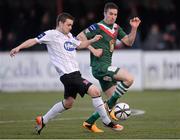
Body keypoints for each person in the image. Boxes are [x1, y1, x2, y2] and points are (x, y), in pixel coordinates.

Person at [10, 12, 123, 134]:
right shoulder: (51, 34)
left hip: (74, 75)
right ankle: (107, 121)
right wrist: (19, 47)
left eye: (71, 25)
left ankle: (43, 120)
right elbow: (34, 40)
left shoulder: (69, 35)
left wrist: (92, 40)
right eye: (68, 25)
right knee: (95, 91)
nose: (70, 27)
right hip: (68, 75)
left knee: (68, 103)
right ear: (60, 23)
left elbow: (80, 45)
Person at [77, 2, 141, 132]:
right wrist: (93, 50)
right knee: (129, 78)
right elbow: (79, 37)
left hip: (106, 67)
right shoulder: (97, 26)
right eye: (110, 14)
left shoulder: (116, 28)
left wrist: (134, 28)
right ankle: (109, 111)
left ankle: (89, 122)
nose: (113, 16)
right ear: (105, 13)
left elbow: (128, 42)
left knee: (111, 101)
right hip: (100, 67)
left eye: (115, 14)